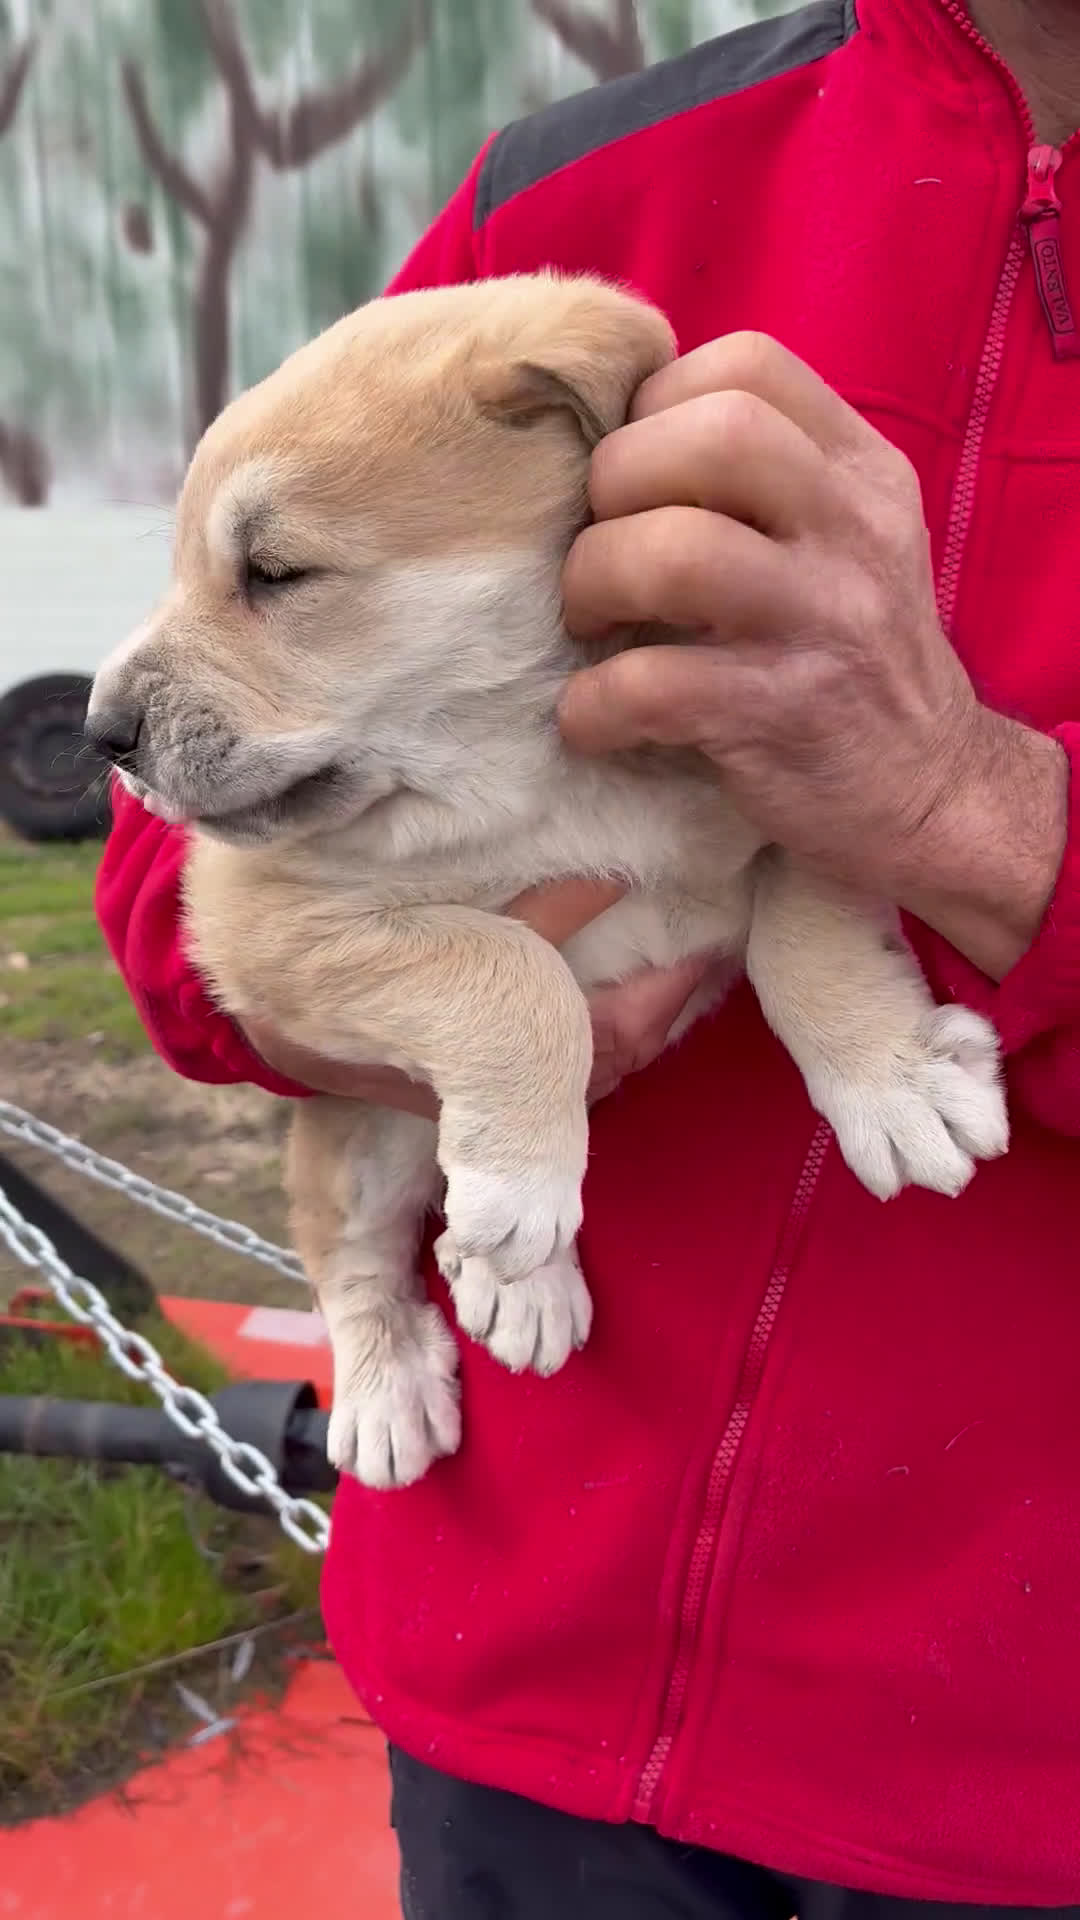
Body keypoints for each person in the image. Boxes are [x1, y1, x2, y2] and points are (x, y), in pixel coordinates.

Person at [95, 0, 1080, 1911]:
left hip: (1018, 1764)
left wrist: (967, 813)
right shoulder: (578, 202)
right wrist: (469, 1016)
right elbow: (176, 900)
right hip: (527, 1688)